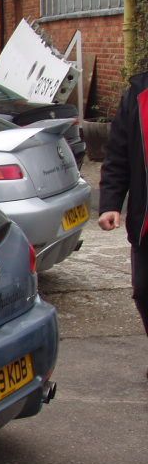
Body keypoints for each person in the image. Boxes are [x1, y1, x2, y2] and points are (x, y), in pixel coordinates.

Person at [99, 70, 148, 377]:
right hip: (146, 223)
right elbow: (118, 154)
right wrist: (110, 204)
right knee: (143, 290)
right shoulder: (138, 94)